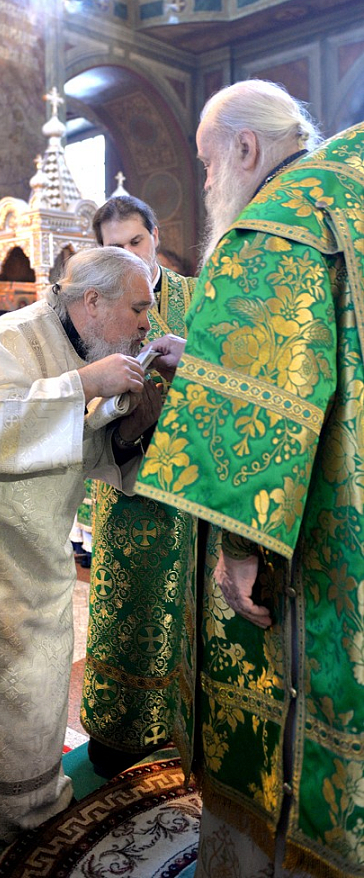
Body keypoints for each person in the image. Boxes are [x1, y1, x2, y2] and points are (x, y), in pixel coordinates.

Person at [136, 79, 364, 877]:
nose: (206, 183)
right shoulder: (350, 191)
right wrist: (202, 362)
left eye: (206, 164)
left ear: (244, 147)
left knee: (283, 722)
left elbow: (272, 397)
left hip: (319, 535)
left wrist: (239, 549)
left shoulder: (277, 218)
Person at [0, 245, 164, 873]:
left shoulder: (86, 346)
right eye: (138, 309)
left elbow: (85, 449)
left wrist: (131, 417)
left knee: (30, 693)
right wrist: (87, 385)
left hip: (40, 554)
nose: (146, 324)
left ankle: (18, 818)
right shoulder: (10, 337)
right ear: (92, 301)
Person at [81, 194, 198, 777]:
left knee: (188, 608)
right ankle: (119, 733)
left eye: (136, 241)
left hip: (189, 487)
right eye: (114, 246)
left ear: (155, 238)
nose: (129, 253)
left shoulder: (199, 297)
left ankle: (182, 726)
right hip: (123, 482)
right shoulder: (96, 303)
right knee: (125, 606)